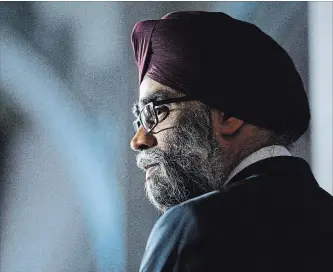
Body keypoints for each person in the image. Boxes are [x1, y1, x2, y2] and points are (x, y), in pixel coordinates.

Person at [130, 11, 333, 272]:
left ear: (228, 115)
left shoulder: (195, 228)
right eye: (140, 119)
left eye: (155, 111)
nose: (138, 140)